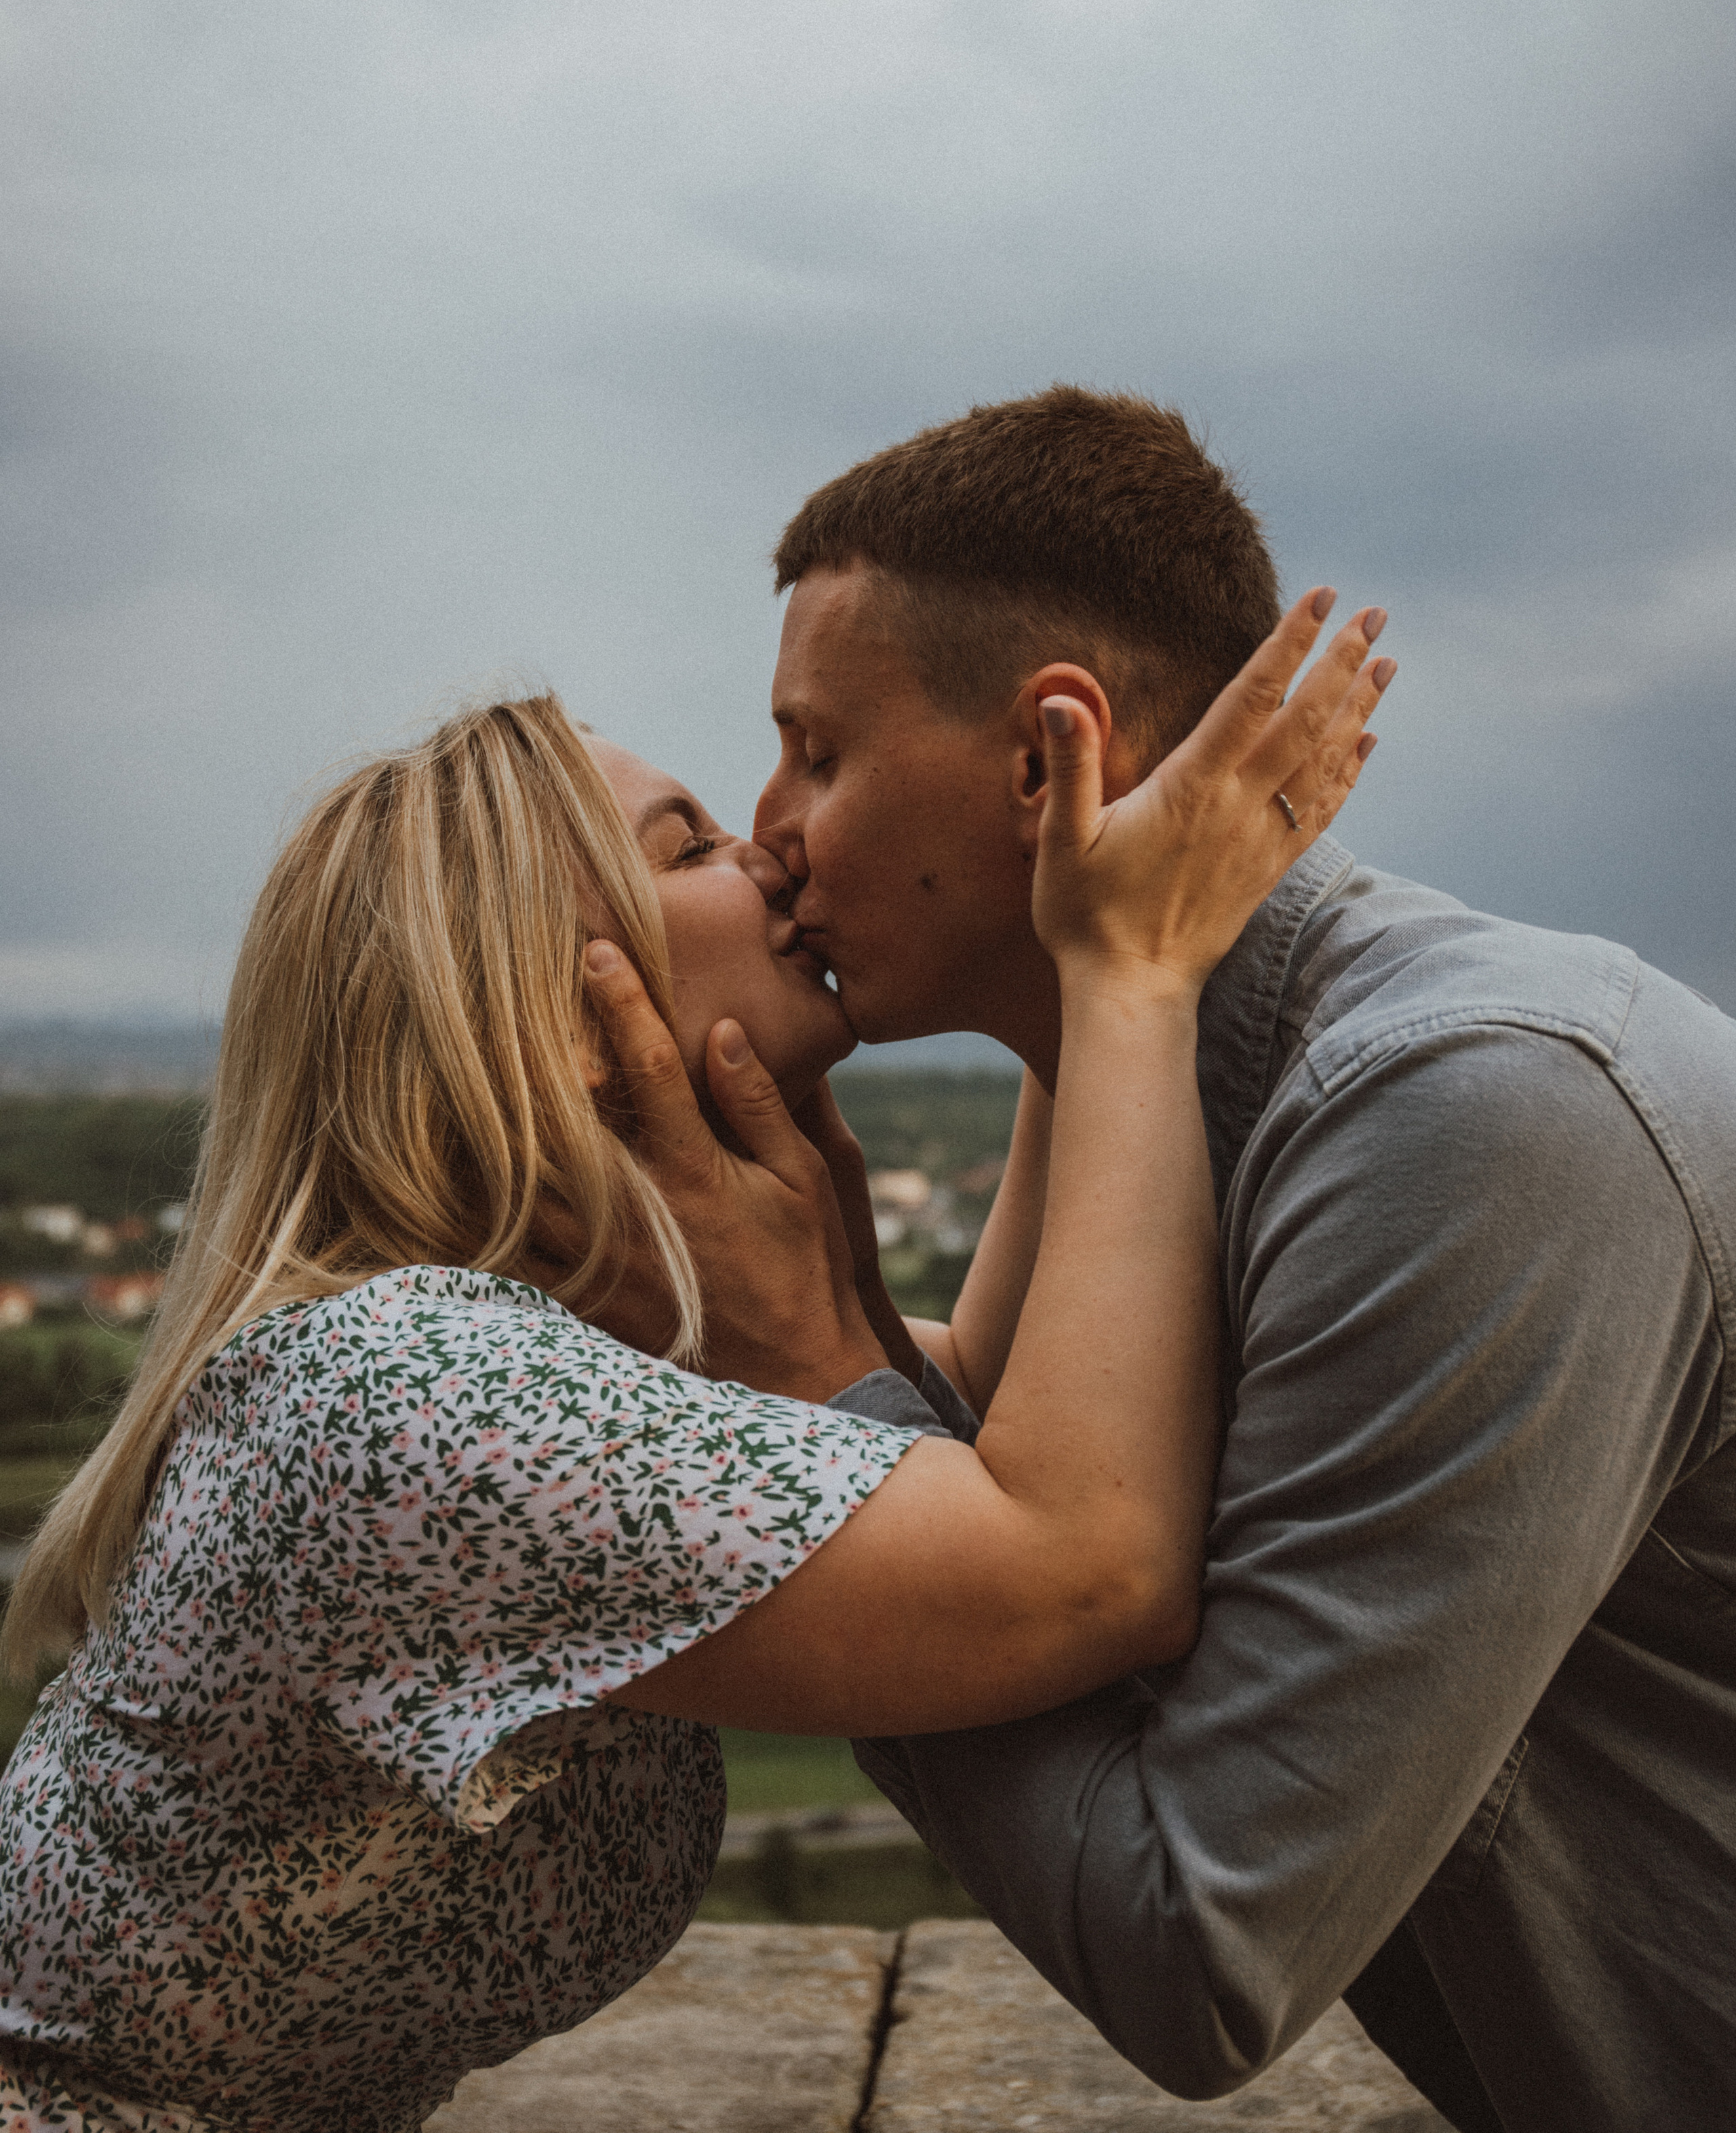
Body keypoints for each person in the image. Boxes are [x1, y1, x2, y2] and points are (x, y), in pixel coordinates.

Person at [0, 609, 1387, 2133]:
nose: (775, 853)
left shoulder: (574, 1354)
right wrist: (1132, 974)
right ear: (544, 1010)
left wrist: (1053, 915)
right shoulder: (403, 1394)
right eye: (691, 847)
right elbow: (1083, 1559)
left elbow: (979, 1410)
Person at [746, 386, 1736, 2133]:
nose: (773, 829)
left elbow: (1200, 1947)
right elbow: (1005, 1465)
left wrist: (803, 1378)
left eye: (817, 751)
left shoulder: (1477, 1115)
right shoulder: (1154, 1062)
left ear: (1052, 760)